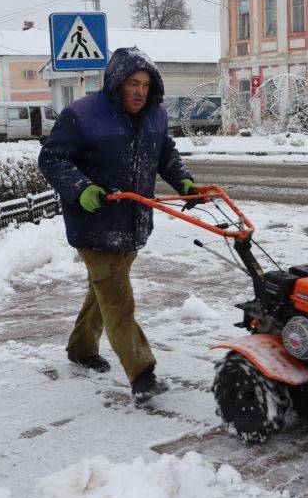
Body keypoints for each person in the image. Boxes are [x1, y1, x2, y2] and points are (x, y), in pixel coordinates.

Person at [39, 47, 197, 399]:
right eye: (133, 83)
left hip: (133, 221)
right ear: (117, 83)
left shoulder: (155, 115)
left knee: (104, 290)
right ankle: (142, 374)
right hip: (94, 223)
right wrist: (82, 189)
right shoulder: (82, 114)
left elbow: (165, 153)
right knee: (118, 299)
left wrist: (183, 181)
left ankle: (81, 349)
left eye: (145, 84)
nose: (140, 91)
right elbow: (52, 159)